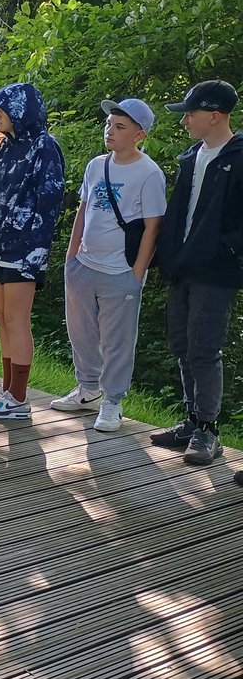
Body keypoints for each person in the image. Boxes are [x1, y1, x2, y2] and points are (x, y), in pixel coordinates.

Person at [51, 99, 165, 431]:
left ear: (139, 135)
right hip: (83, 266)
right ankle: (88, 391)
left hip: (120, 273)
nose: (110, 131)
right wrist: (71, 259)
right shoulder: (96, 165)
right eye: (109, 124)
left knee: (117, 341)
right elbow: (83, 211)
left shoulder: (149, 173)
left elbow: (153, 227)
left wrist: (136, 274)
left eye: (120, 127)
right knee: (82, 333)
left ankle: (113, 401)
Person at [147, 81, 242, 473]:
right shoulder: (191, 158)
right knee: (183, 344)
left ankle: (208, 429)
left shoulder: (239, 156)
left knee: (204, 348)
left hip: (215, 272)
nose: (185, 119)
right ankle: (191, 421)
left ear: (214, 115)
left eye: (190, 113)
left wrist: (226, 249)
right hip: (182, 266)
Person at [0, 82, 65, 421]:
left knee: (17, 320)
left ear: (21, 110)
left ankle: (20, 399)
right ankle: (7, 389)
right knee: (1, 319)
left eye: (2, 109)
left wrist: (35, 249)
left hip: (24, 251)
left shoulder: (45, 146)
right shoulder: (7, 147)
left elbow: (50, 202)